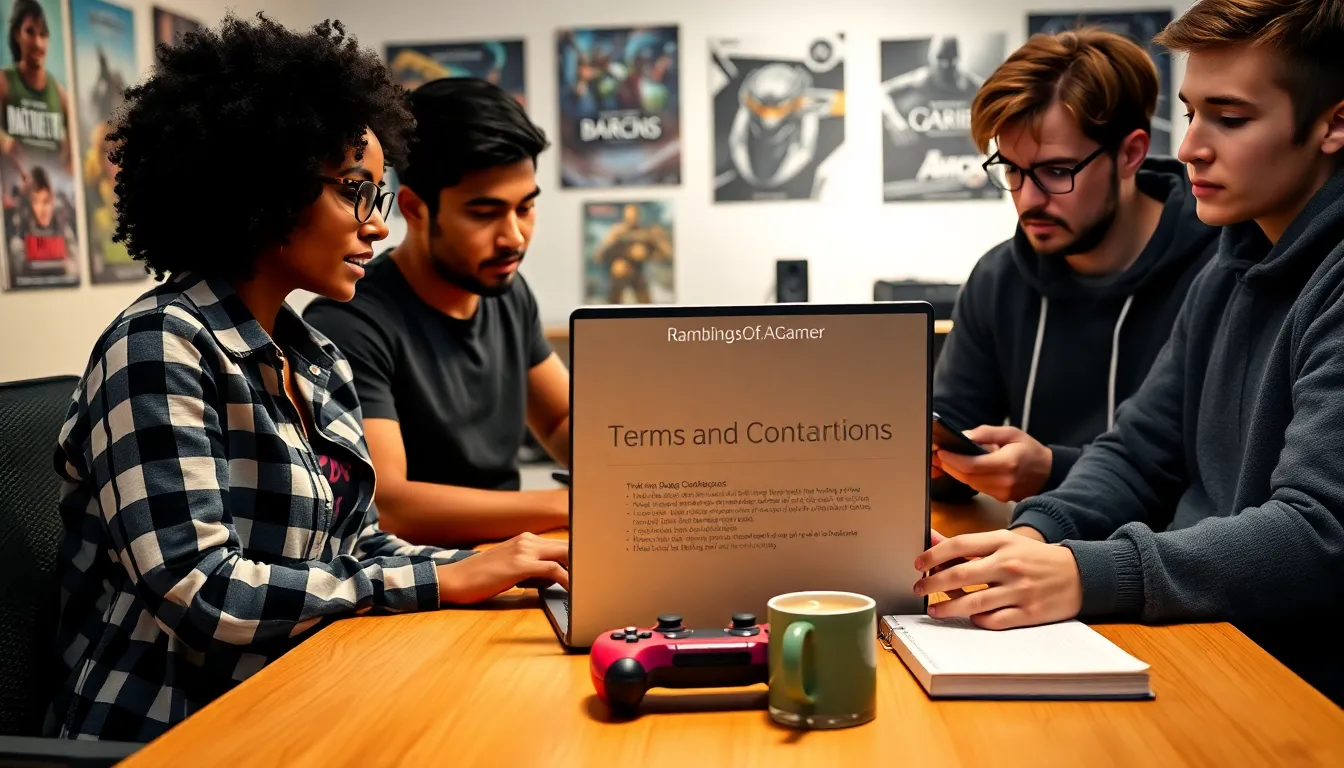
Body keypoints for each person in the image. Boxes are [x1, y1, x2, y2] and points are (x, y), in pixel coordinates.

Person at [48, 14, 568, 742]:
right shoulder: (156, 347)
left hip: (304, 691)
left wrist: (499, 564)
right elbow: (201, 591)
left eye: (378, 195)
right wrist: (441, 578)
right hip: (173, 729)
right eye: (356, 191)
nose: (377, 225)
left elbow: (358, 550)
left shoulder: (313, 355)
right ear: (267, 187)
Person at [916, 0, 1344, 705]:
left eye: (1230, 119)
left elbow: (1319, 533)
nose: (1195, 146)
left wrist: (1088, 573)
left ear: (1335, 123)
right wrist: (1037, 539)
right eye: (1193, 112)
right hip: (1213, 643)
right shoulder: (1232, 267)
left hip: (1295, 687)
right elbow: (1139, 452)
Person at [929, 28, 1219, 504]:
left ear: (1131, 153)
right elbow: (950, 428)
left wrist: (1054, 470)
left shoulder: (1220, 270)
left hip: (1170, 567)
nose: (1028, 200)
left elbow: (1219, 481)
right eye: (1012, 170)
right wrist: (941, 462)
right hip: (1035, 549)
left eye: (1056, 172)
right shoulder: (998, 279)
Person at [304, 77, 571, 548]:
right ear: (414, 208)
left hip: (513, 558)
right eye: (485, 213)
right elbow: (391, 504)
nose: (515, 237)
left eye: (525, 208)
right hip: (413, 579)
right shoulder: (348, 321)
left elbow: (559, 420)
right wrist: (566, 505)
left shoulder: (508, 291)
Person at [0, 0, 72, 167]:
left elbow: (75, 148)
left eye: (43, 34)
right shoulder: (4, 81)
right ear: (17, 34)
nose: (38, 43)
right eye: (30, 32)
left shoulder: (60, 93)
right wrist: (5, 142)